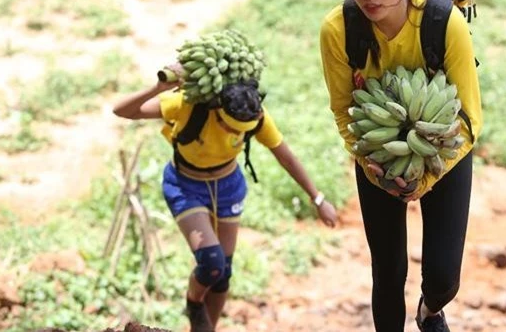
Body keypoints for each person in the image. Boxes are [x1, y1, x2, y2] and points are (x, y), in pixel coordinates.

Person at [319, 0, 482, 332]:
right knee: (388, 272)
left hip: (446, 146)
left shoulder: (445, 24)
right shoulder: (339, 31)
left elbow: (470, 117)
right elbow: (343, 109)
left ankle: (431, 310)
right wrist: (367, 161)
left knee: (444, 276)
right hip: (378, 153)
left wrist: (426, 178)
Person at [113, 74, 338, 332]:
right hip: (187, 186)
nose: (235, 134)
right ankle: (194, 301)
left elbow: (285, 156)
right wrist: (158, 88)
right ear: (216, 109)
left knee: (223, 275)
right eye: (229, 127)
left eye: (241, 131)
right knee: (211, 262)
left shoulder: (254, 116)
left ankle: (208, 327)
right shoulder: (188, 105)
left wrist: (318, 199)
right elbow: (122, 110)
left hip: (227, 187)